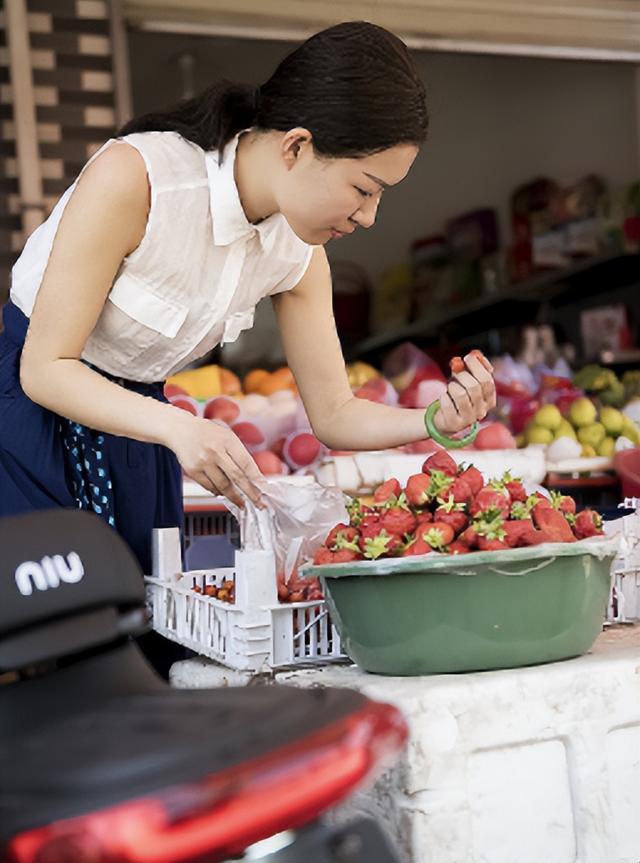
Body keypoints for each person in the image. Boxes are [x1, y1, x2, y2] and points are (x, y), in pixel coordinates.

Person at [0, 21, 495, 578]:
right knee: (56, 629)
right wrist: (180, 428)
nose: (368, 215)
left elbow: (334, 414)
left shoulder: (298, 251)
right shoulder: (139, 179)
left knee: (143, 630)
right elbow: (45, 369)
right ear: (297, 146)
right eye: (364, 188)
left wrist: (433, 419)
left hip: (139, 438)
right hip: (25, 419)